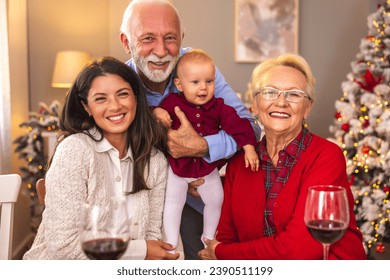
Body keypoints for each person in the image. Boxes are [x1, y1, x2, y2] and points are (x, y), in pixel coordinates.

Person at [119, 0, 261, 259]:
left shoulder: (197, 68)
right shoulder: (117, 85)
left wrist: (203, 148)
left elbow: (250, 126)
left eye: (170, 38)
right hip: (140, 203)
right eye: (148, 38)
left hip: (198, 200)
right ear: (127, 43)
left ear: (181, 38)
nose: (161, 51)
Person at [198, 54, 367, 260]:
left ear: (307, 108)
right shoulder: (238, 164)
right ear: (255, 104)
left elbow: (299, 249)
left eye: (294, 94)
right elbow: (227, 237)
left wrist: (223, 253)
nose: (281, 102)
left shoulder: (327, 156)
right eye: (270, 92)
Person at [23, 56, 179, 260]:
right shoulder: (74, 151)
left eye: (122, 94)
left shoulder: (155, 161)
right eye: (100, 98)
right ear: (86, 107)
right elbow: (63, 249)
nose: (114, 106)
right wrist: (140, 251)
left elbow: (151, 236)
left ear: (136, 97)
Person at [152, 49, 259, 253]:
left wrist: (248, 148)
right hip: (178, 169)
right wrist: (156, 111)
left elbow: (240, 125)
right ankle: (171, 243)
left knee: (217, 199)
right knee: (173, 202)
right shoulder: (171, 103)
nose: (203, 88)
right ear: (179, 85)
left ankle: (209, 236)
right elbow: (150, 116)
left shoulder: (218, 107)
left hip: (206, 169)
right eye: (195, 83)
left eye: (209, 82)